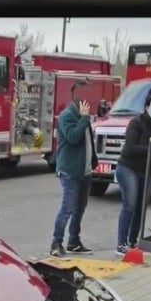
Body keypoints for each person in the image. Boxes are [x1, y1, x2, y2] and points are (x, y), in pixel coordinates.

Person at [114, 88, 151, 256]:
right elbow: (130, 149)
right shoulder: (136, 123)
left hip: (148, 171)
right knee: (130, 204)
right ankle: (121, 244)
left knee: (141, 207)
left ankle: (133, 241)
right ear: (147, 107)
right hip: (128, 168)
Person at [49, 97, 98, 257]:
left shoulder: (83, 116)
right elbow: (73, 137)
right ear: (80, 104)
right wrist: (84, 118)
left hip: (85, 171)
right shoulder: (67, 117)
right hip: (70, 171)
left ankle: (74, 242)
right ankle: (56, 244)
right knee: (67, 208)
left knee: (80, 208)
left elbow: (88, 141)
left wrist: (93, 161)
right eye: (87, 104)